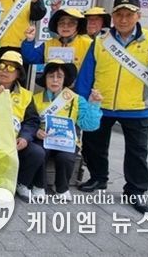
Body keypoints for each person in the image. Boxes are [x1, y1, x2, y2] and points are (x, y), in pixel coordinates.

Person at [76, 0, 148, 216]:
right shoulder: (101, 40)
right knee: (93, 145)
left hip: (136, 107)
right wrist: (83, 101)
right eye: (119, 14)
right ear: (113, 16)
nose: (123, 19)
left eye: (128, 15)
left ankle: (135, 191)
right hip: (101, 103)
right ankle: (98, 178)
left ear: (138, 16)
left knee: (137, 152)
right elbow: (86, 73)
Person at [0, 51, 45, 200]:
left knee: (37, 153)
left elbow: (32, 121)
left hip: (13, 142)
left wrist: (25, 138)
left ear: (18, 74)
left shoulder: (26, 95)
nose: (4, 70)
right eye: (1, 66)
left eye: (11, 68)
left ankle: (21, 183)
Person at [32, 60, 102, 200]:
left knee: (66, 157)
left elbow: (89, 125)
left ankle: (62, 188)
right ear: (45, 79)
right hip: (43, 139)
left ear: (65, 79)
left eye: (59, 76)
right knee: (38, 153)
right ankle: (39, 185)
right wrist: (36, 132)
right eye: (51, 76)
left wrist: (94, 104)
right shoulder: (35, 99)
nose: (55, 80)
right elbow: (29, 121)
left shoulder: (76, 99)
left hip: (68, 141)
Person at [21, 8, 92, 71]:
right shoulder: (48, 44)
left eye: (71, 23)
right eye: (61, 23)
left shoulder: (89, 45)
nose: (65, 26)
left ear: (78, 26)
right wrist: (29, 40)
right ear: (56, 26)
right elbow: (31, 58)